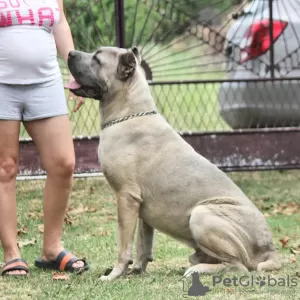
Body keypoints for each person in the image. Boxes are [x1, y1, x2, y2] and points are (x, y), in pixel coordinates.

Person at [0, 0, 88, 276]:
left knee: (63, 164)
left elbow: (59, 21)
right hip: (2, 84)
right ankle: (12, 253)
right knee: (5, 168)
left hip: (45, 82)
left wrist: (76, 71)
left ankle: (52, 249)